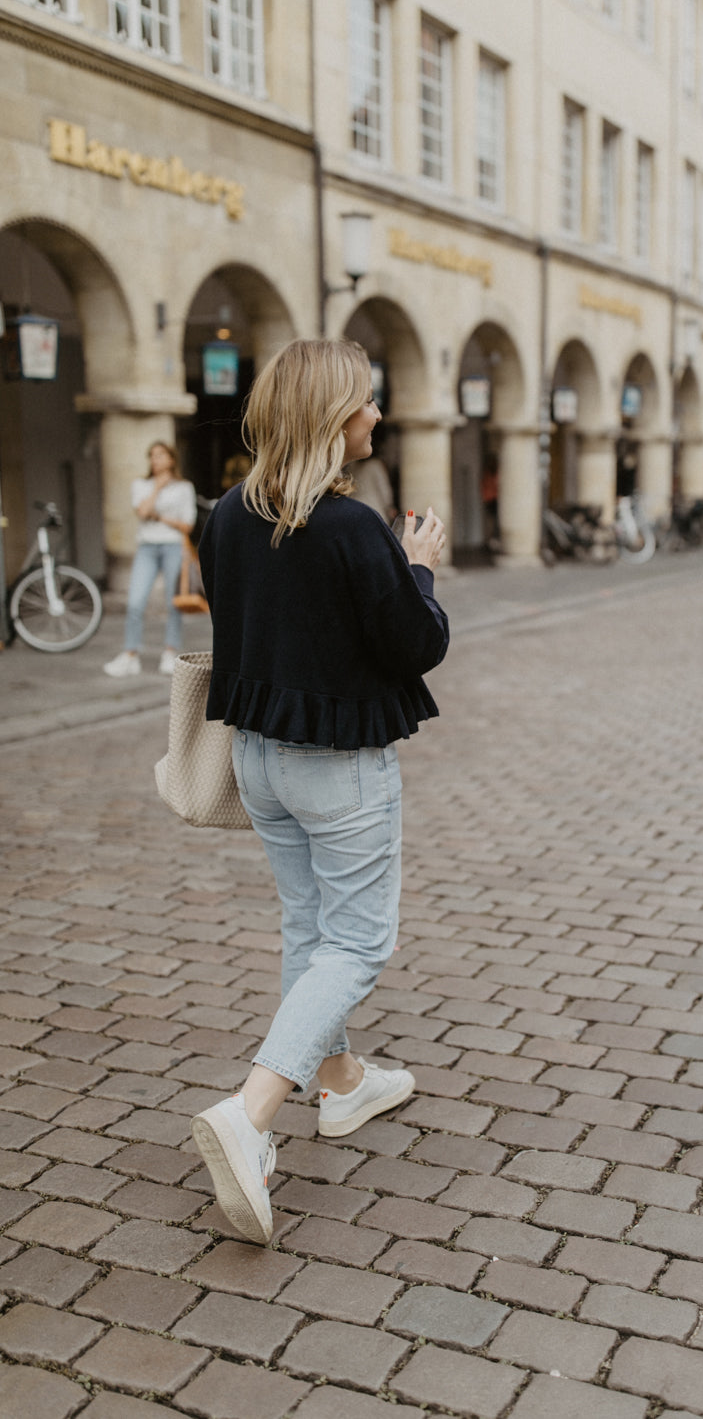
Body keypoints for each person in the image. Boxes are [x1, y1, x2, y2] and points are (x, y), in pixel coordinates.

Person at [190, 338, 449, 1245]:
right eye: (366, 400)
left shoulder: (226, 516)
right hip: (337, 764)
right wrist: (418, 568)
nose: (377, 413)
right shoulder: (352, 527)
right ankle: (251, 1114)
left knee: (310, 926)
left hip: (257, 756)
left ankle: (339, 1082)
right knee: (358, 940)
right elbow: (416, 644)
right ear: (333, 415)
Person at [103, 441, 197, 677]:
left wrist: (160, 517)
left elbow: (187, 525)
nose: (155, 460)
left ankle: (170, 652)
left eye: (161, 455)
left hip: (173, 547)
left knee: (173, 602)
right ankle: (130, 654)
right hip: (147, 547)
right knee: (135, 602)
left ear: (172, 459)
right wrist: (157, 488)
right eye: (152, 456)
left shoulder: (184, 488)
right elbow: (143, 512)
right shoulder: (141, 485)